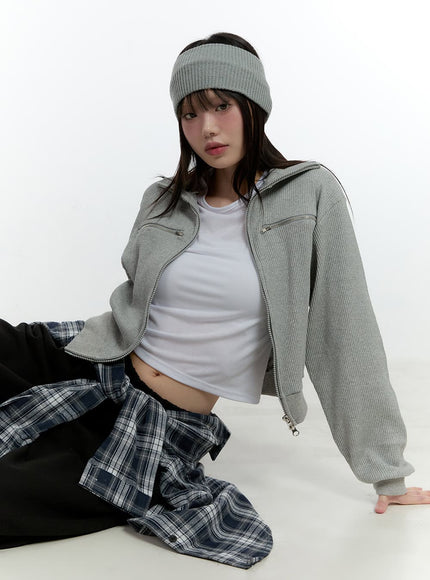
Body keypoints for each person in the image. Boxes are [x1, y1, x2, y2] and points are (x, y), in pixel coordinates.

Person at [0, 31, 429, 568]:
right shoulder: (163, 199)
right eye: (190, 113)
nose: (206, 127)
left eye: (221, 106)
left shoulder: (309, 193)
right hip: (95, 359)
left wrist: (387, 473)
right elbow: (137, 302)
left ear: (254, 106)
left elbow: (346, 330)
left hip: (157, 425)